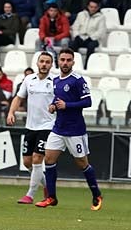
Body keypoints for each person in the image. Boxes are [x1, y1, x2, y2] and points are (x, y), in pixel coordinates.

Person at [35, 48, 103, 210]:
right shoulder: (56, 80)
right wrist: (53, 105)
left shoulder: (78, 80)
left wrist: (67, 106)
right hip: (58, 129)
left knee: (82, 164)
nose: (65, 63)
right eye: (62, 60)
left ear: (73, 62)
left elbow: (88, 102)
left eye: (68, 60)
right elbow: (57, 98)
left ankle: (96, 193)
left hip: (75, 130)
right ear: (58, 61)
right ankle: (51, 197)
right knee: (49, 160)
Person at [8, 51, 57, 204]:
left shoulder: (55, 81)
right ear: (37, 63)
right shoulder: (29, 79)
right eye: (42, 61)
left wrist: (56, 106)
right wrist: (11, 112)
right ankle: (48, 186)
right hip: (31, 126)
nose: (44, 64)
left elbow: (62, 100)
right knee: (27, 162)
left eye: (47, 62)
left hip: (48, 126)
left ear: (51, 64)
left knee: (37, 158)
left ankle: (30, 194)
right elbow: (19, 97)